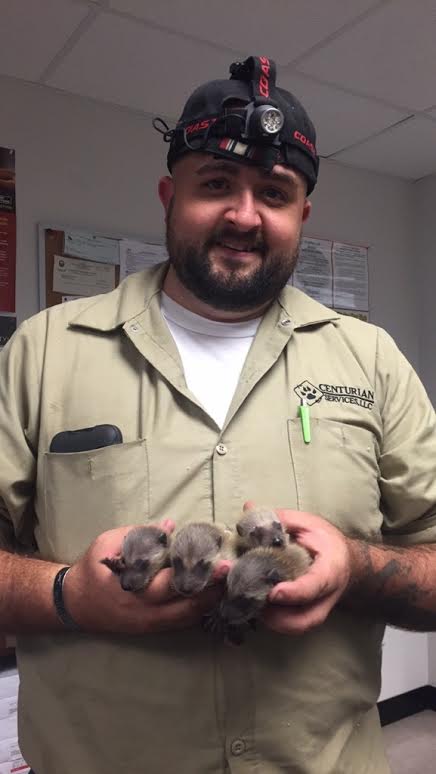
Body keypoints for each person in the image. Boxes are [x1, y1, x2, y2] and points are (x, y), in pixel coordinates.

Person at [0, 54, 435, 774]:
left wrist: (355, 569)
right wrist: (67, 595)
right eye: (215, 185)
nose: (243, 214)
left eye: (273, 191)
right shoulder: (43, 351)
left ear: (304, 213)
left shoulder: (373, 359)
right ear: (169, 195)